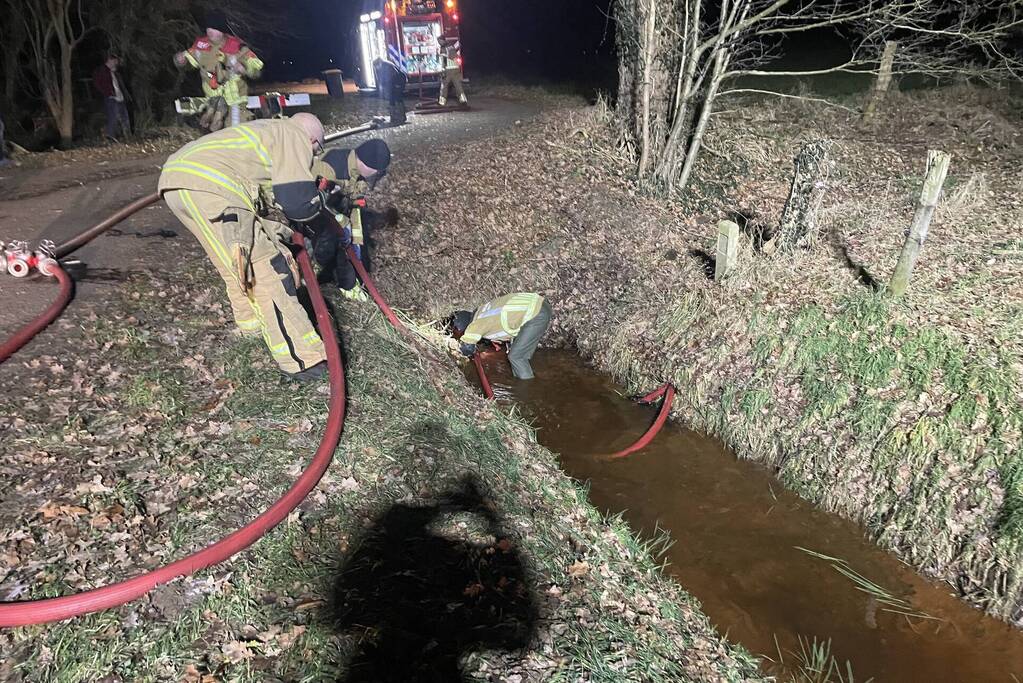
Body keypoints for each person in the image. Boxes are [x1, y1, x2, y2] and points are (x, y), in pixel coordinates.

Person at [158, 113, 348, 380]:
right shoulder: (293, 135)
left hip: (179, 183)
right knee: (267, 267)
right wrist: (318, 209)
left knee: (235, 263)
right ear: (313, 140)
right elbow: (295, 202)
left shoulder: (267, 133)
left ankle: (252, 328)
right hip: (214, 187)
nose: (313, 157)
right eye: (317, 150)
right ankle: (302, 359)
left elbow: (270, 193)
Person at [308, 139, 391, 301]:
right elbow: (311, 201)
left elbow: (355, 208)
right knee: (334, 241)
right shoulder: (329, 166)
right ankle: (321, 273)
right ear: (366, 165)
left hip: (334, 208)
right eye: (376, 171)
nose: (376, 176)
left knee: (350, 239)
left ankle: (348, 281)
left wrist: (357, 240)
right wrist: (342, 222)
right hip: (310, 214)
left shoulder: (359, 175)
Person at [174, 26, 263, 131]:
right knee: (212, 135)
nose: (210, 32)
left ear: (222, 29)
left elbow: (257, 69)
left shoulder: (237, 46)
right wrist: (180, 61)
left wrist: (245, 69)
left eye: (214, 29)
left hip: (235, 102)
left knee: (235, 134)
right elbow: (188, 61)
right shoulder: (201, 47)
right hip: (213, 102)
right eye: (208, 29)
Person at [449, 293, 552, 380]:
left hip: (535, 313)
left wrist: (458, 351)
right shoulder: (482, 311)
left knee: (516, 357)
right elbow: (500, 322)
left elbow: (466, 348)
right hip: (539, 304)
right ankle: (523, 377)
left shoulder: (476, 324)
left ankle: (527, 389)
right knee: (518, 355)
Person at [92, 55, 131, 141]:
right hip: (111, 97)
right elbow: (97, 83)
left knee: (124, 116)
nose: (116, 63)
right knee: (113, 116)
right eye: (115, 61)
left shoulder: (114, 72)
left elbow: (120, 84)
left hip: (119, 97)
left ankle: (126, 134)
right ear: (110, 60)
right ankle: (110, 135)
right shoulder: (102, 70)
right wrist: (107, 92)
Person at [373, 58, 408, 125]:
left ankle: (402, 117)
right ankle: (394, 117)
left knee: (398, 97)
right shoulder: (381, 66)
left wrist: (392, 86)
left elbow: (393, 76)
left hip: (399, 80)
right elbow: (381, 79)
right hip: (394, 82)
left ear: (379, 63)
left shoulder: (386, 65)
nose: (376, 68)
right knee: (392, 99)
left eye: (376, 66)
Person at [437, 36, 467, 107]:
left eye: (439, 41)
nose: (439, 43)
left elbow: (444, 61)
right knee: (458, 86)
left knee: (444, 86)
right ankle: (463, 100)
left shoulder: (443, 48)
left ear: (442, 40)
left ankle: (441, 102)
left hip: (448, 70)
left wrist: (443, 71)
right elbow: (456, 57)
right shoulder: (451, 46)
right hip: (456, 69)